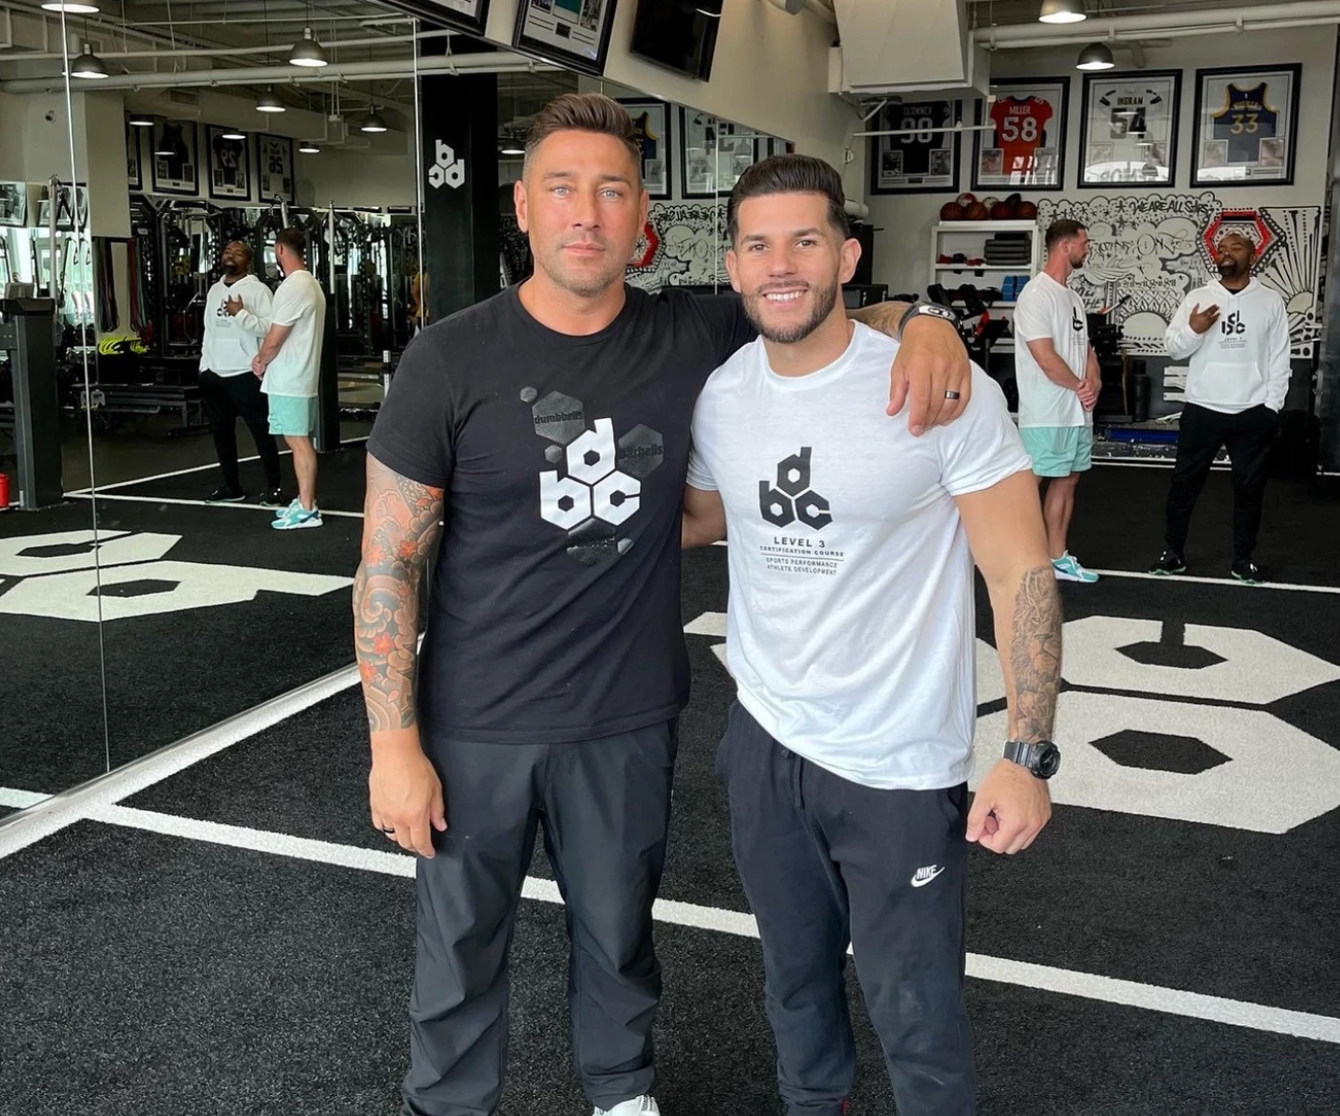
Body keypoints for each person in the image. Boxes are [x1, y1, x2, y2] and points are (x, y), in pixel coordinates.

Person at [352, 93, 972, 1116]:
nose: (584, 213)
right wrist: (391, 744)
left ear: (642, 216)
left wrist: (924, 318)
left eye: (609, 190)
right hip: (472, 722)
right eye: (561, 188)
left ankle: (619, 1091)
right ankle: (445, 1104)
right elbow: (387, 563)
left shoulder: (694, 331)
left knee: (616, 932)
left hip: (626, 717)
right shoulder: (449, 358)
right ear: (522, 207)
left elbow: (811, 300)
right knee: (458, 949)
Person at [680, 154, 1060, 1116]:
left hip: (897, 764)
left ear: (846, 255)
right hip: (763, 743)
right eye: (758, 245)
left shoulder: (937, 386)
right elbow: (696, 518)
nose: (781, 265)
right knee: (795, 993)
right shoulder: (719, 396)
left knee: (917, 1018)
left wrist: (1026, 751)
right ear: (731, 267)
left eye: (805, 241)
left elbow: (1019, 568)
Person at [1151, 232, 1288, 585]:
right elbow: (1175, 349)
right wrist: (1194, 331)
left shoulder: (1270, 301)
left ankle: (1243, 560)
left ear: (1252, 256)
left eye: (1235, 248)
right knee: (1184, 485)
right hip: (1203, 407)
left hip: (1251, 411)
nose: (1225, 253)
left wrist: (1271, 406)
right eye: (1221, 248)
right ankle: (1173, 553)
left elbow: (1279, 357)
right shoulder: (1197, 297)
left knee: (1249, 490)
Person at [1012, 219, 1102, 583]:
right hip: (1047, 410)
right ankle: (1011, 558)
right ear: (1065, 246)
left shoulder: (1073, 297)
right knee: (1029, 484)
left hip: (1076, 412)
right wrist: (1080, 386)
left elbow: (1086, 349)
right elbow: (1044, 356)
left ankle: (1057, 558)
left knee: (1068, 480)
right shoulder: (1037, 294)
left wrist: (1093, 378)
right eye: (1084, 242)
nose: (1087, 249)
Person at [246, 227, 326, 530]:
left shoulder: (294, 287)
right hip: (296, 376)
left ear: (280, 250)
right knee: (297, 440)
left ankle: (308, 509)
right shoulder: (310, 285)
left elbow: (276, 336)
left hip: (292, 377)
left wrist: (260, 360)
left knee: (298, 441)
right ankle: (305, 503)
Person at [198, 240, 283, 505]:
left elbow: (270, 330)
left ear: (248, 261)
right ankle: (231, 487)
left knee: (261, 432)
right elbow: (209, 331)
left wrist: (241, 314)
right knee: (221, 433)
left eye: (238, 253)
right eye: (227, 251)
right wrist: (204, 366)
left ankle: (274, 488)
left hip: (245, 372)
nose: (230, 255)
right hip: (215, 373)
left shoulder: (258, 291)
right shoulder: (213, 290)